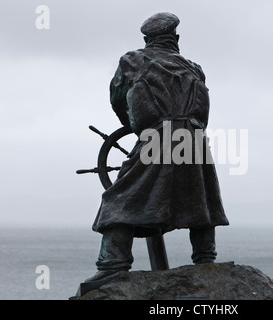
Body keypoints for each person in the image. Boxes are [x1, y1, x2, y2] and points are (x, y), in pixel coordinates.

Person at [84, 12, 229, 284]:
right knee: (200, 199)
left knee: (120, 198)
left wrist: (136, 128)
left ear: (146, 39)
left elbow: (118, 100)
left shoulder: (133, 61)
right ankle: (205, 260)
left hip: (158, 137)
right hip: (195, 137)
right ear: (176, 38)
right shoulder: (194, 68)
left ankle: (112, 266)